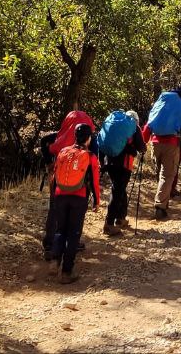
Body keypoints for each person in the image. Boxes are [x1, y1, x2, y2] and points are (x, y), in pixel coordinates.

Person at [47, 124, 101, 284]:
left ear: (75, 136)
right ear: (89, 138)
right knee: (74, 234)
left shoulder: (63, 151)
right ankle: (66, 272)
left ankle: (55, 260)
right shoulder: (90, 156)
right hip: (78, 197)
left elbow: (55, 175)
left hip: (60, 195)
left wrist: (54, 195)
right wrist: (97, 201)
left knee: (60, 229)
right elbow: (95, 182)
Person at [42, 111, 95, 260]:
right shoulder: (87, 137)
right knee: (75, 215)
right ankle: (72, 243)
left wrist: (49, 163)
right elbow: (94, 159)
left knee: (54, 210)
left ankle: (50, 245)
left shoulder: (58, 137)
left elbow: (43, 142)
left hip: (58, 181)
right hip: (79, 185)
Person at [144, 91, 181, 220]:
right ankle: (160, 206)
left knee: (160, 173)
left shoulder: (157, 107)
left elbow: (148, 126)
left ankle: (163, 200)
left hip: (155, 143)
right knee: (167, 175)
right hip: (171, 144)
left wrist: (143, 143)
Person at [102, 111, 145, 236]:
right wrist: (141, 149)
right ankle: (109, 223)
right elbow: (141, 147)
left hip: (109, 161)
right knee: (117, 191)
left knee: (119, 189)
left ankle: (120, 218)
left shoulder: (115, 125)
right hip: (124, 164)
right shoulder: (134, 127)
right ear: (136, 120)